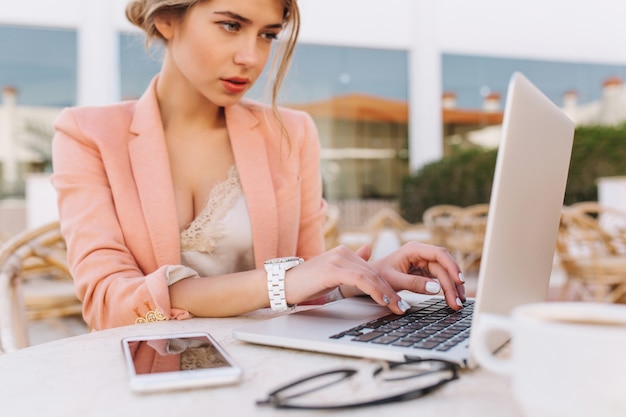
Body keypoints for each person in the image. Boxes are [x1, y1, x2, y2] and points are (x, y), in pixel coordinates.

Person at [51, 0, 466, 331]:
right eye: (231, 25)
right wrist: (281, 283)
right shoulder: (88, 134)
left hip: (268, 370)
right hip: (146, 377)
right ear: (166, 20)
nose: (251, 57)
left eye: (268, 34)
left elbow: (308, 287)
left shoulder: (291, 133)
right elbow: (108, 306)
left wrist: (362, 278)